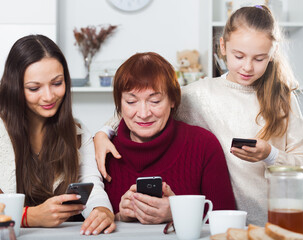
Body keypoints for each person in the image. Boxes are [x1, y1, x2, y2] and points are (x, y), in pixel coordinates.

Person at [94, 6, 303, 226]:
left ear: (273, 53)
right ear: (222, 46)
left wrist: (270, 155)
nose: (247, 67)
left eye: (259, 58)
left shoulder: (283, 99)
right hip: (227, 224)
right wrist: (103, 132)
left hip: (281, 221)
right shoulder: (200, 94)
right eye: (239, 56)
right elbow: (146, 110)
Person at [0, 34, 115, 235]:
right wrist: (28, 216)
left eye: (57, 83)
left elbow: (93, 186)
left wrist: (101, 210)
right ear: (15, 88)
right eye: (34, 88)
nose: (49, 96)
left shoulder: (78, 133)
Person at [100, 52, 235, 224]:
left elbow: (227, 221)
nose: (143, 114)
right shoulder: (103, 151)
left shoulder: (204, 146)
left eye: (155, 101)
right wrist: (119, 217)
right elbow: (77, 226)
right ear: (119, 103)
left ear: (172, 100)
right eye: (131, 102)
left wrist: (179, 213)